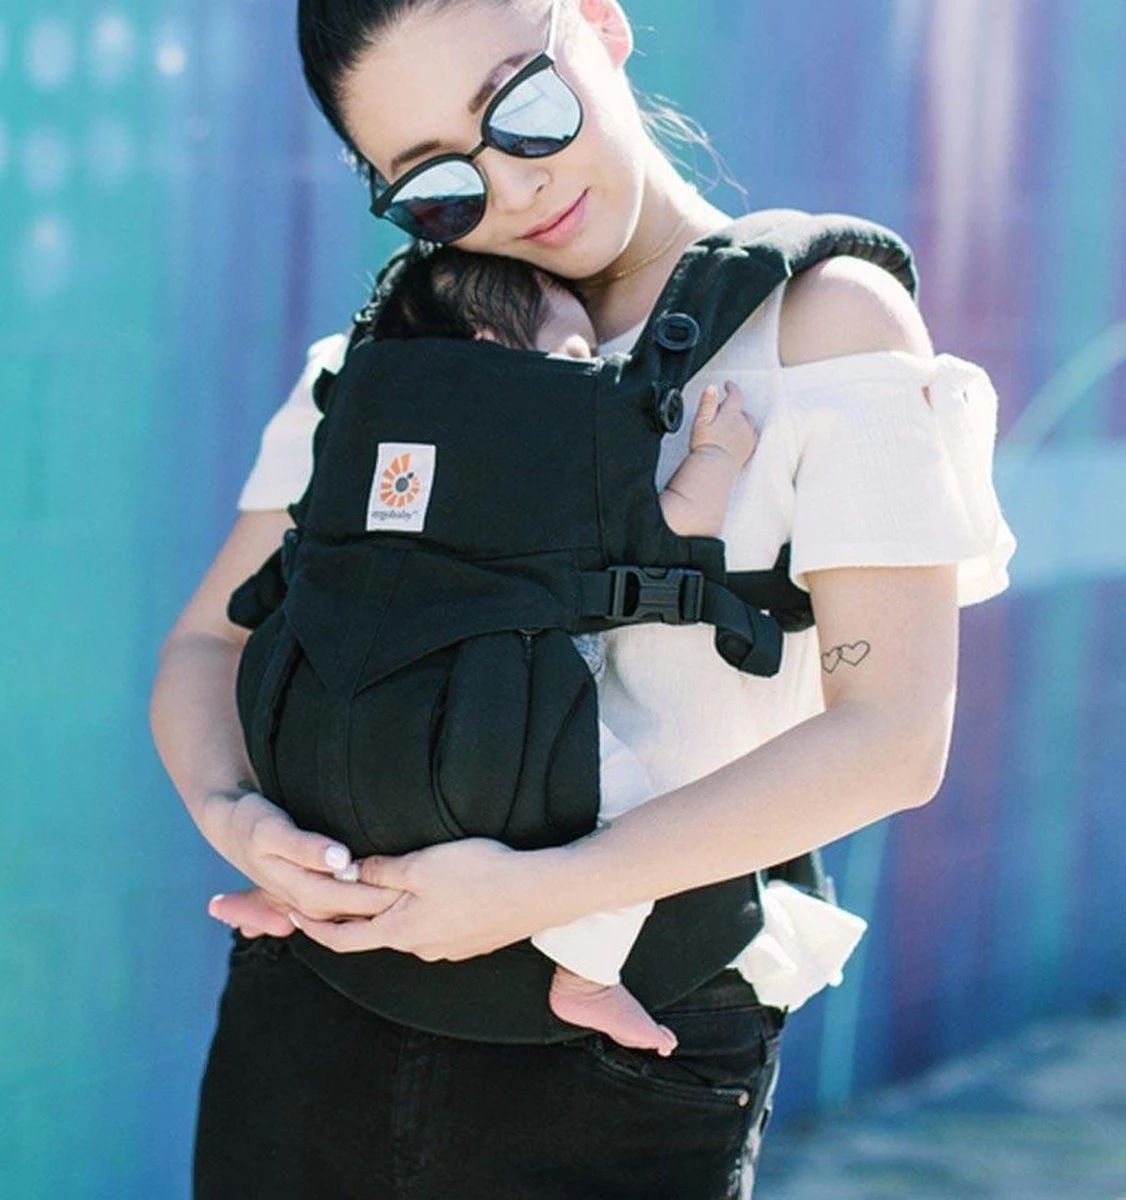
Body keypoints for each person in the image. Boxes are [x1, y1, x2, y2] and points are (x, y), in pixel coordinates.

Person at [149, 1, 1017, 1195]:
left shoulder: (822, 326)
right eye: (438, 183)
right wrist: (232, 814)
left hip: (619, 1046)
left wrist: (542, 895)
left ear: (600, 26)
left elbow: (892, 738)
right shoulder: (397, 352)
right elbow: (208, 641)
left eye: (525, 106)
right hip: (312, 1009)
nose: (513, 187)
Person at [217, 240, 762, 1058]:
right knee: (634, 808)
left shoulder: (364, 424)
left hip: (323, 710)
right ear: (490, 347)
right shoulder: (535, 438)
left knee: (311, 795)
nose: (592, 370)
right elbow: (671, 534)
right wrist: (716, 455)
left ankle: (280, 896)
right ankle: (586, 973)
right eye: (575, 353)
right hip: (493, 727)